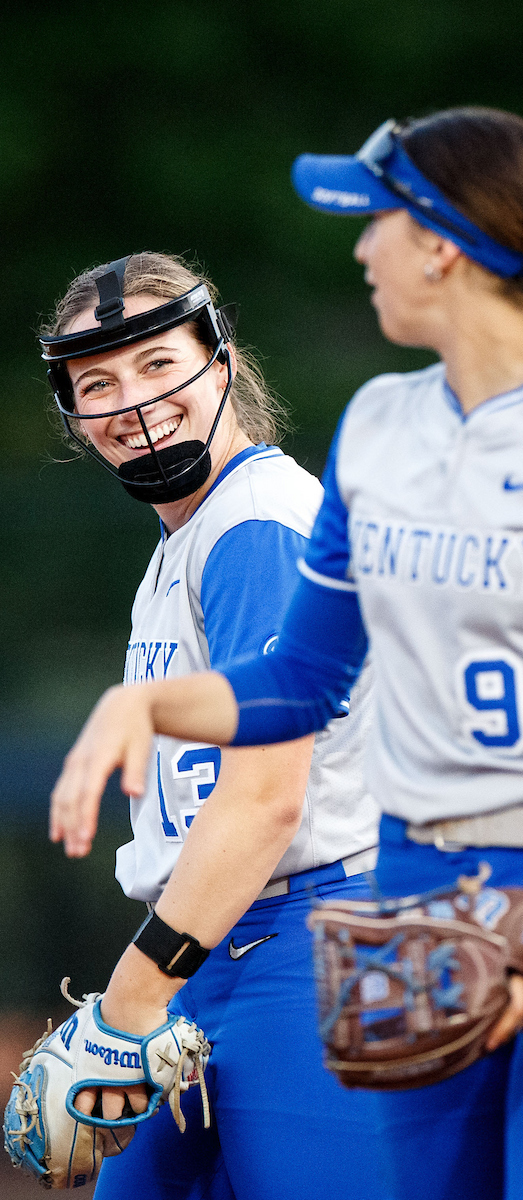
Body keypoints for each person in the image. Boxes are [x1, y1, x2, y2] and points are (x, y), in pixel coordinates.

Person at [50, 110, 523, 1200]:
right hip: (421, 914)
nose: (361, 248)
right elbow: (301, 682)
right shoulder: (380, 424)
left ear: (445, 247)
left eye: (379, 222)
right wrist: (151, 707)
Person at [40, 251, 386, 1199]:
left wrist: (128, 1002)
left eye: (159, 362)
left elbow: (268, 799)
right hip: (213, 950)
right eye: (97, 383)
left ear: (221, 360)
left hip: (308, 945)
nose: (134, 400)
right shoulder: (193, 537)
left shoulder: (255, 522)